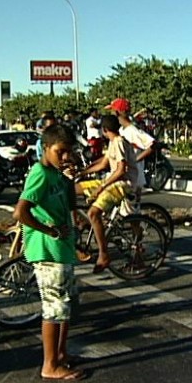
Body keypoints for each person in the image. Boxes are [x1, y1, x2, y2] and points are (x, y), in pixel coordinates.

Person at [13, 124, 85, 381]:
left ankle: (61, 354)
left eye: (69, 152)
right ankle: (49, 364)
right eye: (60, 151)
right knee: (54, 308)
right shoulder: (40, 173)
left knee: (65, 306)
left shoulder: (56, 174)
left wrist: (69, 179)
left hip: (62, 250)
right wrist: (49, 231)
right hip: (47, 250)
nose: (65, 156)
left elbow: (69, 204)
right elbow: (20, 212)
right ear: (45, 148)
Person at [75, 115, 138, 273]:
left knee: (94, 213)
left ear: (104, 130)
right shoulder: (113, 142)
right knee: (72, 189)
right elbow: (103, 163)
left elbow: (121, 169)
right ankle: (81, 224)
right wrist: (82, 172)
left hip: (122, 184)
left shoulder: (119, 143)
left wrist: (101, 187)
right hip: (111, 179)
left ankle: (103, 254)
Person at [105, 98, 155, 192]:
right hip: (124, 178)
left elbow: (153, 145)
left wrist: (135, 160)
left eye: (112, 110)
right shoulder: (120, 130)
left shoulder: (132, 130)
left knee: (131, 206)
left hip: (133, 178)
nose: (111, 113)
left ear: (117, 112)